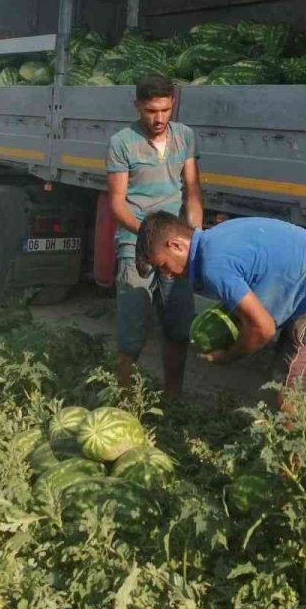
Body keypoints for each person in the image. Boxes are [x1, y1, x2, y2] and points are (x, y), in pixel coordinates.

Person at [135, 211, 306, 410]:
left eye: (164, 266)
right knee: (277, 389)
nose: (167, 274)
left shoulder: (214, 265)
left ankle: (304, 457)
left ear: (176, 245)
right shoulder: (215, 237)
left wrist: (230, 355)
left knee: (293, 403)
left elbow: (263, 328)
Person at [106, 74, 203, 399]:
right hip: (136, 244)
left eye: (164, 110)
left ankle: (173, 399)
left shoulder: (185, 137)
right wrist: (148, 236)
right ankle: (125, 401)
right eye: (151, 111)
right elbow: (117, 203)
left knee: (178, 328)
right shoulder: (122, 142)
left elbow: (191, 190)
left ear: (173, 103)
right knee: (132, 331)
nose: (159, 118)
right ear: (137, 106)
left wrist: (195, 236)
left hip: (175, 247)